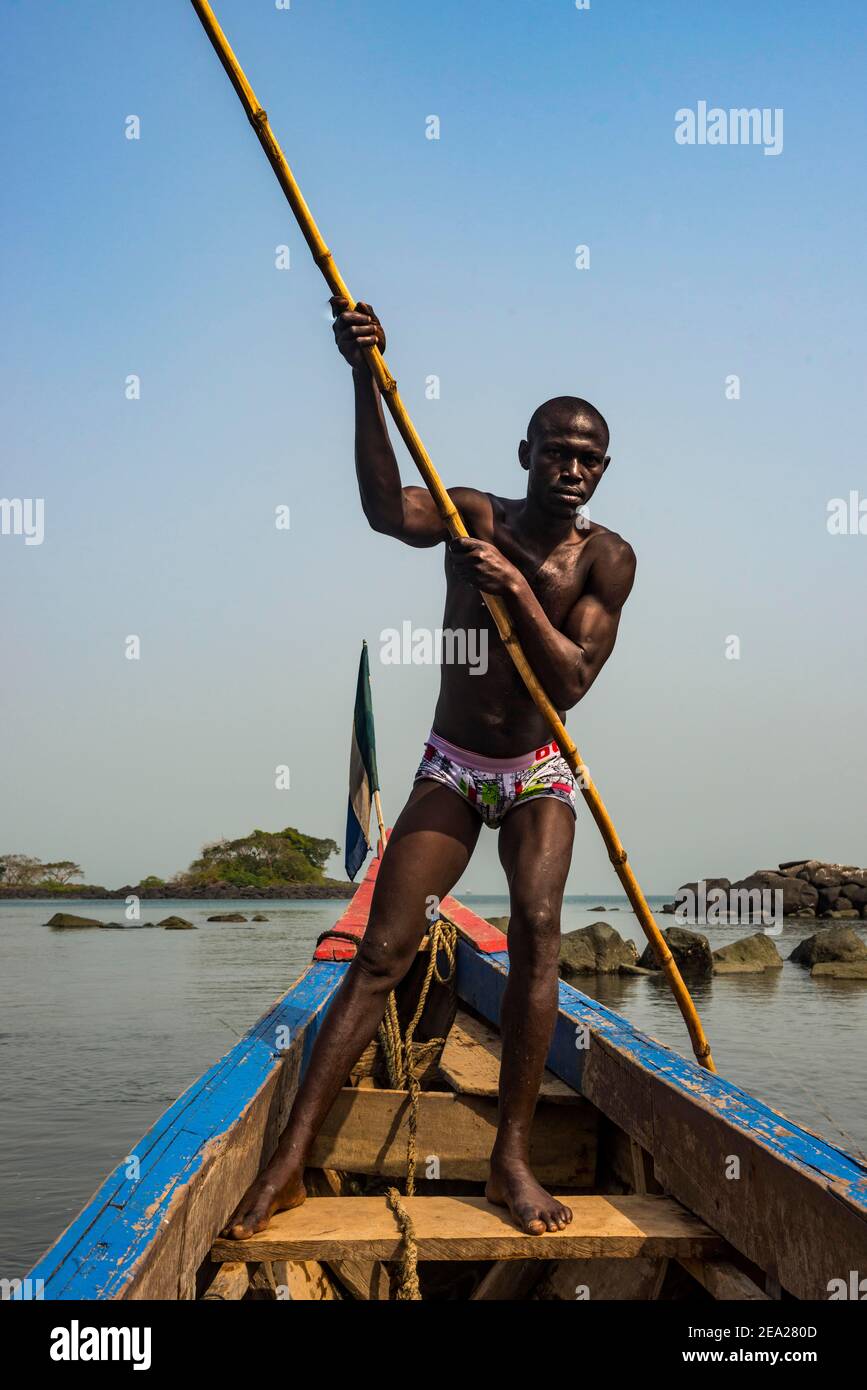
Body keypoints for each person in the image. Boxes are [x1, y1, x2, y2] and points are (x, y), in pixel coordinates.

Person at [224, 299, 636, 1238]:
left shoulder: (608, 559)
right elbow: (381, 508)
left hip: (536, 769)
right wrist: (366, 380)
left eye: (588, 458)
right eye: (555, 451)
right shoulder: (472, 515)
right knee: (379, 952)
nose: (570, 468)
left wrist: (511, 587)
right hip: (452, 765)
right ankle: (288, 1163)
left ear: (602, 469)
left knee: (536, 932)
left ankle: (510, 1163)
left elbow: (568, 681)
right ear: (527, 451)